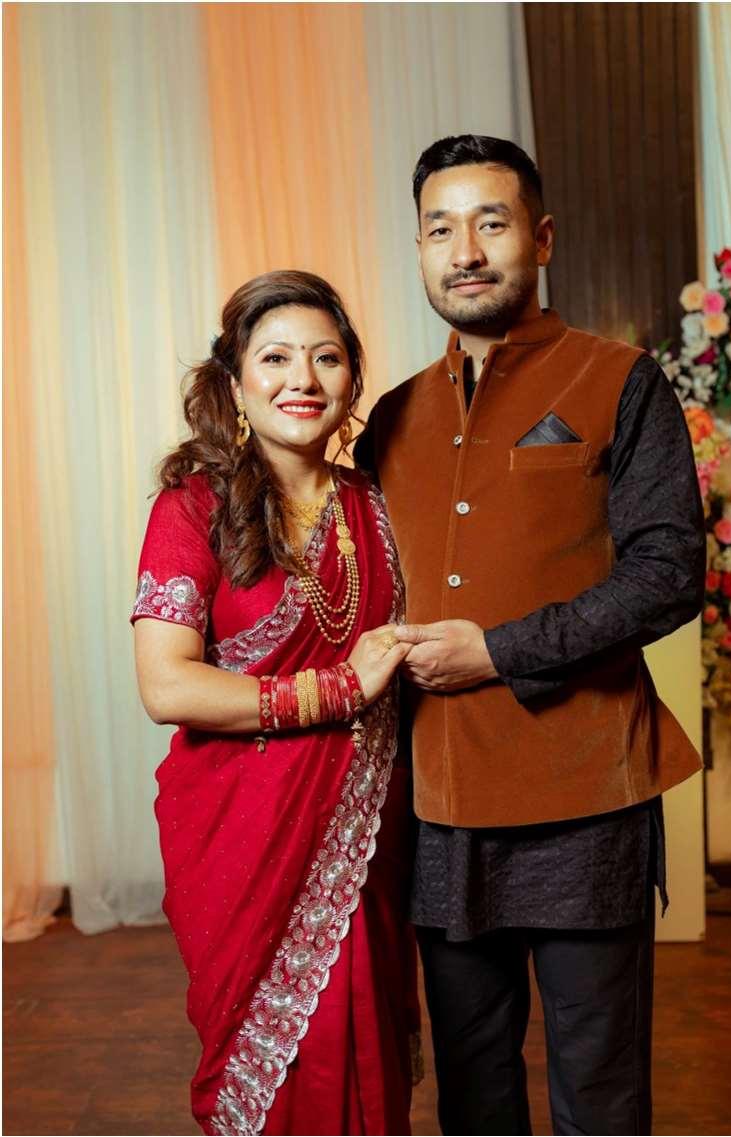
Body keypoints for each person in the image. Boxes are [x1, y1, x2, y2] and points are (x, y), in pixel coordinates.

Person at [354, 135, 706, 1136]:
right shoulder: (390, 417)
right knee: (472, 1090)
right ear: (419, 249)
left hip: (585, 795)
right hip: (439, 802)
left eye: (491, 223)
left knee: (599, 1087)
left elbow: (667, 574)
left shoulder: (620, 379)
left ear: (541, 239)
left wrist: (499, 650)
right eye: (440, 229)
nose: (464, 250)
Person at [131, 270, 419, 1136]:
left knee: (364, 1055)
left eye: (326, 358)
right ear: (234, 383)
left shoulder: (380, 506)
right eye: (276, 357)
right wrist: (338, 687)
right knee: (282, 1071)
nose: (303, 378)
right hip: (240, 835)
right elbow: (166, 684)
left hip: (363, 838)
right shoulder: (193, 508)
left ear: (352, 378)